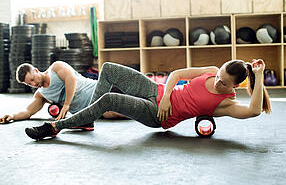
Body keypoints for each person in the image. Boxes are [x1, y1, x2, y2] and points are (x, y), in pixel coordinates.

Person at [24, 59, 271, 140]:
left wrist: (258, 77)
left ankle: (55, 127)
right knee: (109, 68)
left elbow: (254, 110)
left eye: (223, 82)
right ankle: (87, 118)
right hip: (157, 91)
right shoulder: (211, 70)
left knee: (109, 99)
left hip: (157, 116)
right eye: (218, 77)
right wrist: (165, 97)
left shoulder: (225, 103)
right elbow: (176, 74)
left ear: (234, 86)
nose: (217, 82)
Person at [0, 61, 123, 130]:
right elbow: (27, 112)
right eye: (29, 84)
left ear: (36, 70)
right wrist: (12, 116)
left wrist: (67, 104)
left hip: (100, 89)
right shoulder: (41, 95)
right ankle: (141, 111)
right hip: (95, 108)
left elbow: (71, 78)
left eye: (32, 79)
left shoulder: (56, 68)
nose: (33, 84)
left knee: (131, 93)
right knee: (111, 114)